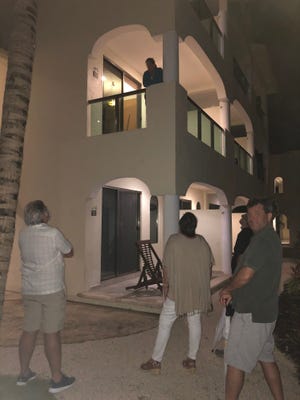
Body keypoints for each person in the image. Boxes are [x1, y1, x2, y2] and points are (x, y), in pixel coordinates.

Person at [219, 198, 284, 400]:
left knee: (235, 362)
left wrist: (229, 288)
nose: (252, 219)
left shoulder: (263, 240)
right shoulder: (269, 238)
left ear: (269, 216)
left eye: (257, 214)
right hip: (265, 313)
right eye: (249, 215)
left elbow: (246, 274)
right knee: (266, 358)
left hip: (252, 315)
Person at [141, 212, 214, 374]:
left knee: (165, 324)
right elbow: (209, 269)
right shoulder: (202, 242)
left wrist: (165, 289)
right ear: (194, 226)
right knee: (195, 323)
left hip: (177, 293)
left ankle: (156, 361)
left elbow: (166, 269)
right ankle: (191, 360)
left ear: (181, 226)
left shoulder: (173, 241)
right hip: (196, 292)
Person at [17, 200, 75, 394]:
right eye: (46, 212)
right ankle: (57, 379)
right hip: (51, 290)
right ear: (43, 214)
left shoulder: (23, 234)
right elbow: (69, 251)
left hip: (30, 290)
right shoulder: (53, 233)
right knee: (51, 333)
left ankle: (24, 373)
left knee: (29, 330)